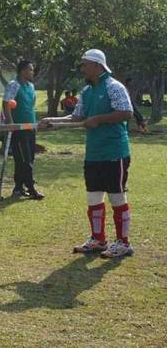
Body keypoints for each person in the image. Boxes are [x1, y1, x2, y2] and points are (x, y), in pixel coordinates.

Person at [40, 49, 134, 258]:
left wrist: (99, 119)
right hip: (94, 154)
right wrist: (52, 121)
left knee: (117, 197)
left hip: (114, 152)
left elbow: (127, 113)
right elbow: (77, 117)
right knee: (93, 197)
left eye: (84, 64)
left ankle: (123, 243)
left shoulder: (114, 87)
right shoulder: (87, 91)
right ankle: (98, 240)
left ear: (96, 65)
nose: (82, 68)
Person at [2, 60, 45, 200]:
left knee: (28, 158)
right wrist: (11, 123)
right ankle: (31, 188)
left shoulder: (31, 86)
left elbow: (30, 105)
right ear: (22, 71)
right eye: (30, 69)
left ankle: (18, 187)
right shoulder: (13, 85)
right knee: (24, 159)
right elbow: (6, 103)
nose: (32, 72)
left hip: (30, 126)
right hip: (18, 128)